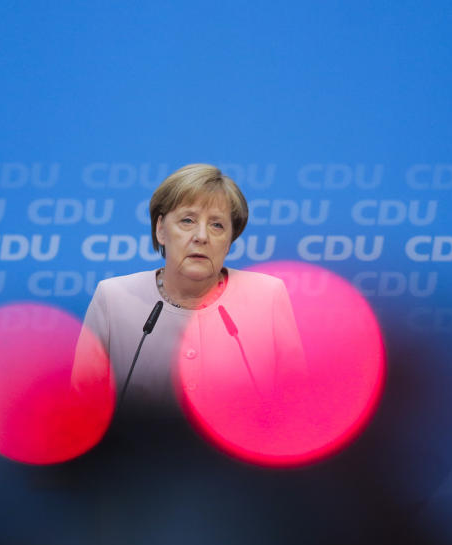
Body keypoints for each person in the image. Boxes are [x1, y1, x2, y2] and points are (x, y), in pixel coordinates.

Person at [73, 164, 305, 425]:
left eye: (217, 225)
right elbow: (83, 408)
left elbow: (294, 401)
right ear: (161, 229)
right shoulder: (114, 298)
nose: (202, 236)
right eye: (187, 220)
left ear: (230, 240)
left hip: (240, 463)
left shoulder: (267, 295)